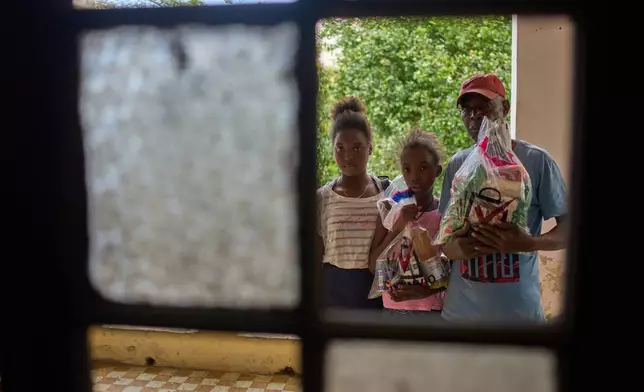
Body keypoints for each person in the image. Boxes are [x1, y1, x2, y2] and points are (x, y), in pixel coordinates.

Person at [439, 74, 568, 324]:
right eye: (467, 110)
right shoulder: (458, 165)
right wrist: (455, 249)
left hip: (519, 320)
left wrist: (529, 242)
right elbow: (444, 241)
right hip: (460, 319)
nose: (474, 116)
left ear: (504, 108)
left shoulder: (536, 161)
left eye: (483, 107)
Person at [316, 96, 388, 310]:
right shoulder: (322, 198)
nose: (348, 156)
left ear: (370, 148)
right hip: (333, 296)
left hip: (376, 294)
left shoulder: (386, 193)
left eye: (357, 148)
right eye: (340, 148)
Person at [369, 129, 446, 320]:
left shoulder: (444, 214)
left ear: (437, 171)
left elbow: (451, 272)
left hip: (431, 312)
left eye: (423, 168)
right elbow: (373, 266)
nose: (414, 177)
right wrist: (397, 227)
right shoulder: (389, 211)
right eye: (407, 169)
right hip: (392, 310)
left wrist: (427, 291)